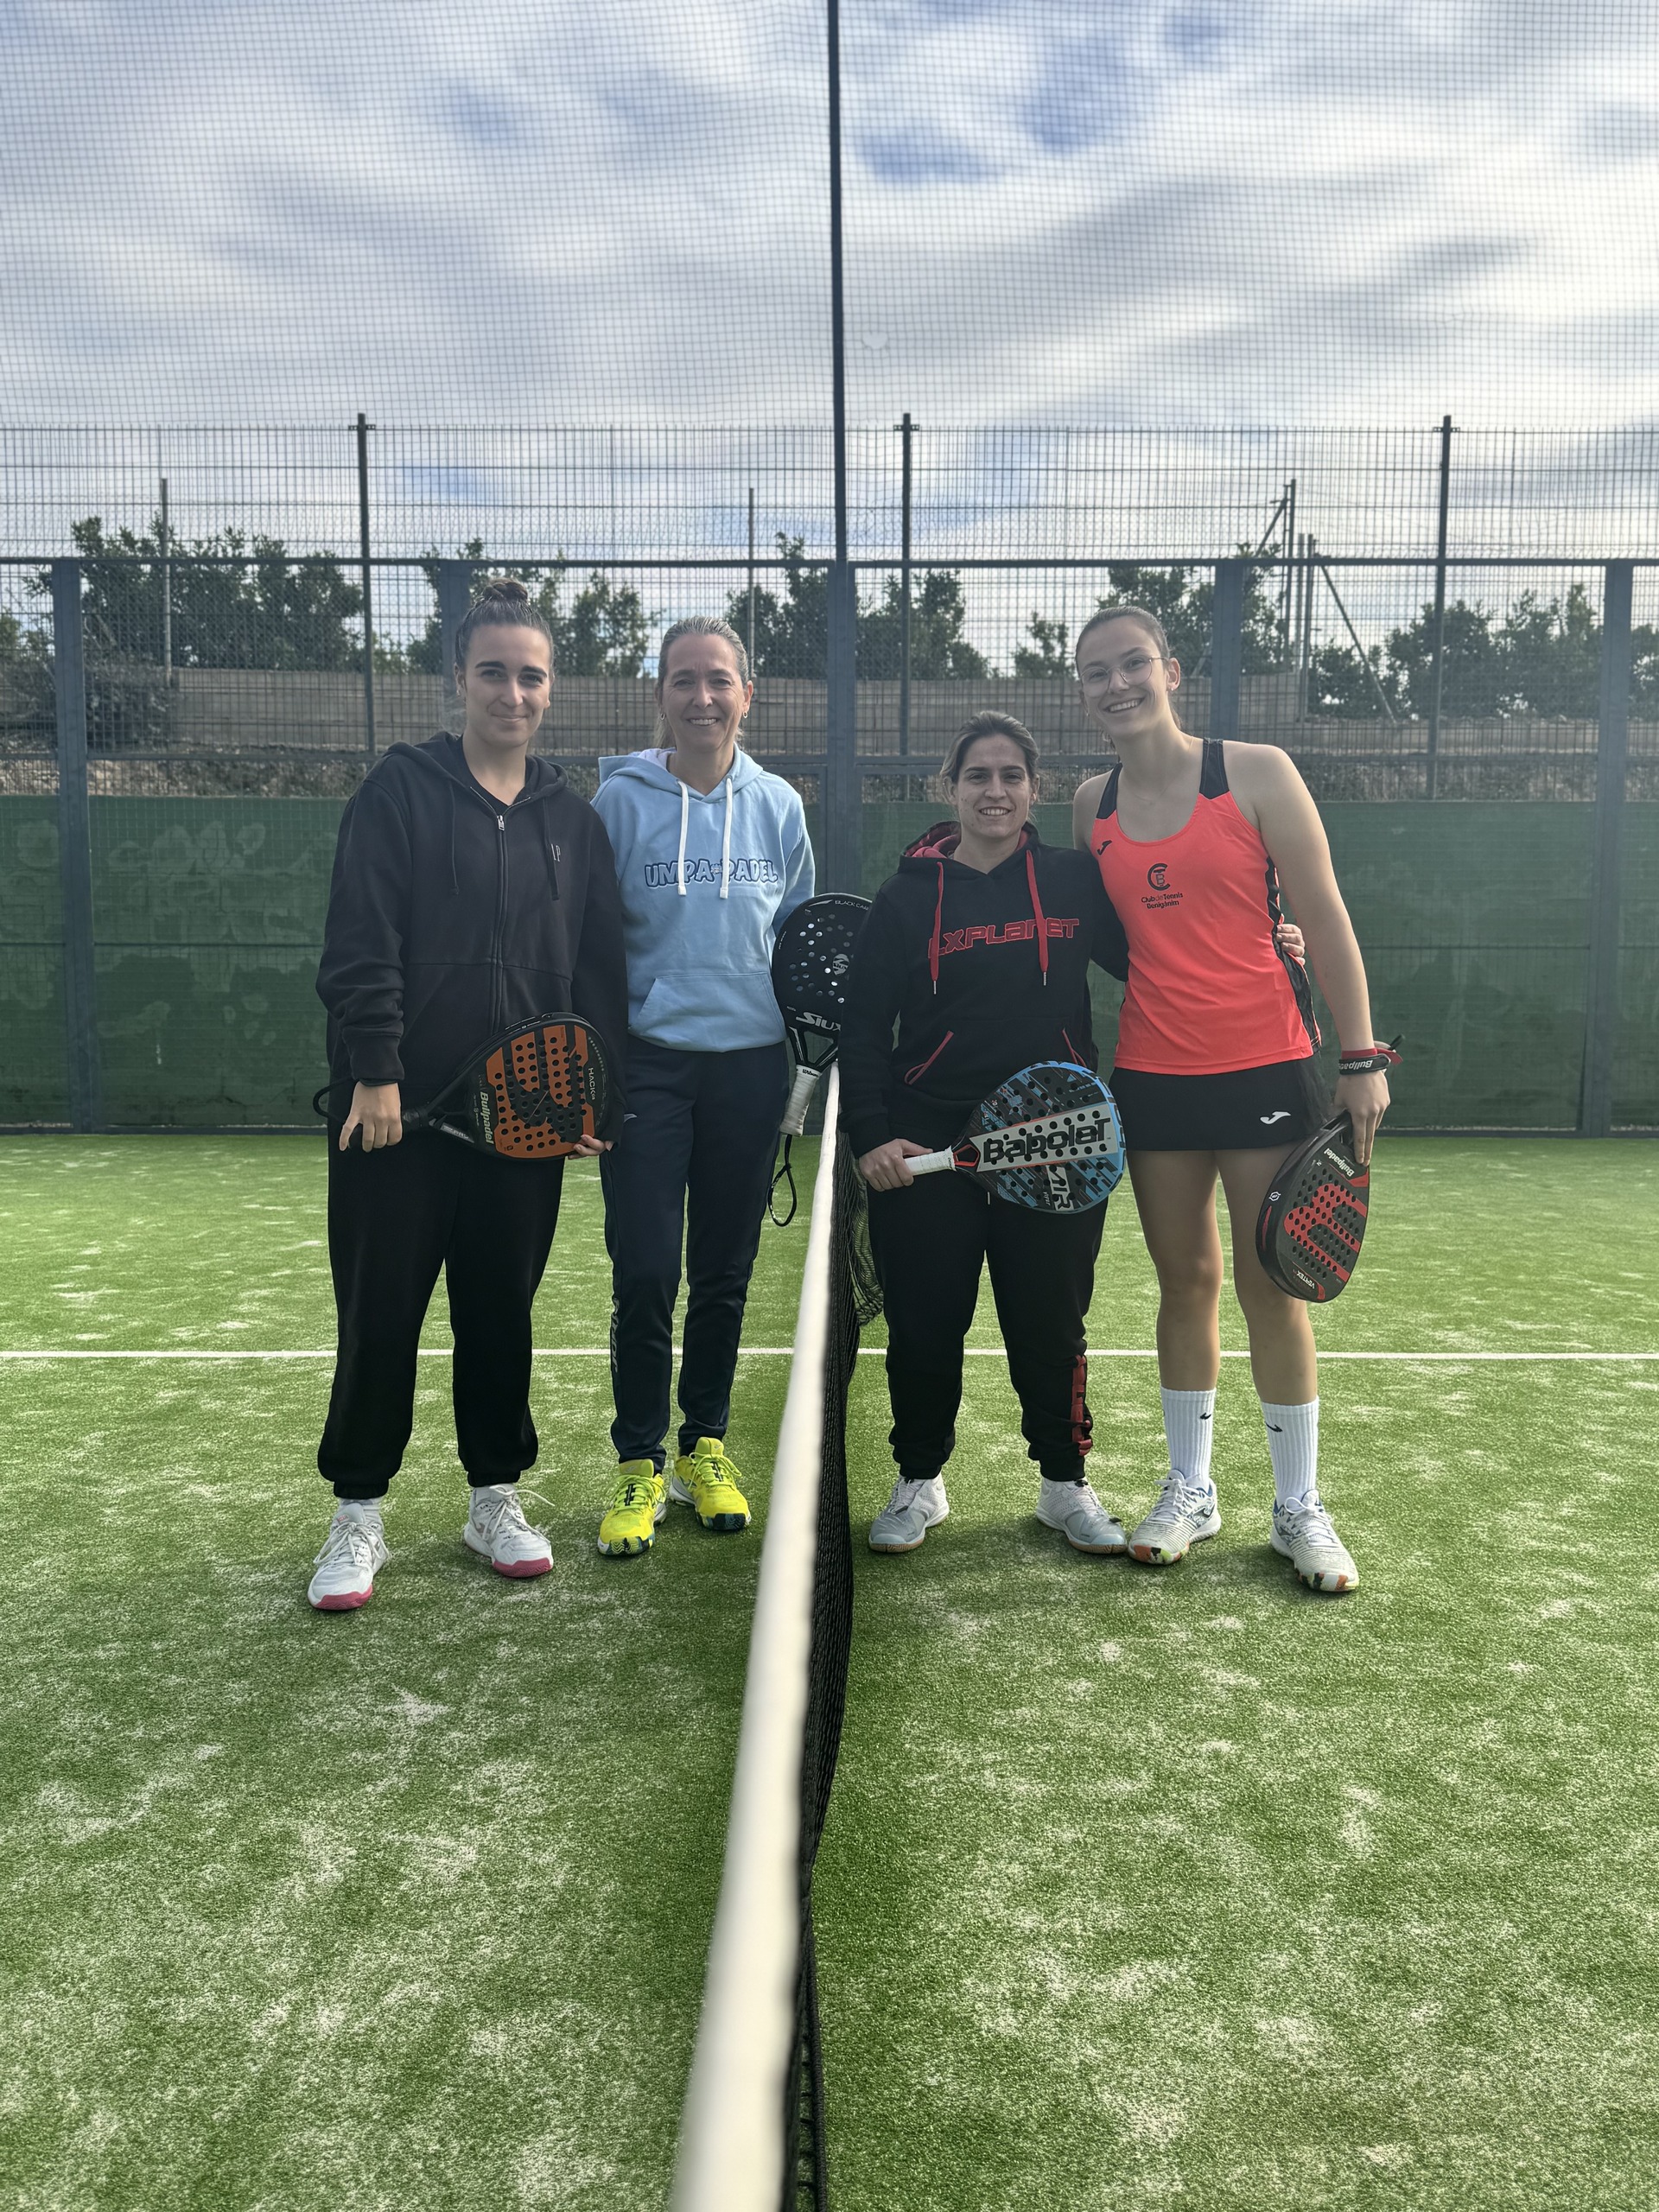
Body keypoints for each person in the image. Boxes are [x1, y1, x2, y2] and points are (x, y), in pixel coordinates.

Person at [307, 577, 627, 1611]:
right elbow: (360, 938)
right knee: (379, 1316)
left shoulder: (574, 824)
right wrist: (377, 1069)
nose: (512, 693)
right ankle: (359, 1510)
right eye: (494, 671)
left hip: (523, 1125)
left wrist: (594, 1100)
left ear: (551, 687)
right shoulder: (397, 791)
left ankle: (495, 1497)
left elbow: (597, 974)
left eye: (531, 675)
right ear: (458, 676)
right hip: (393, 1116)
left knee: (501, 1317)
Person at [1070, 605, 1392, 1594]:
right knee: (1186, 1282)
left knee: (1272, 1287)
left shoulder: (1257, 773)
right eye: (1096, 673)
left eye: (1133, 663)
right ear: (1082, 692)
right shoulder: (1088, 805)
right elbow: (1112, 940)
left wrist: (1361, 1056)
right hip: (1153, 1076)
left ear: (1171, 671)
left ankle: (1299, 1507)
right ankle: (1191, 1489)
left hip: (1265, 1067)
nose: (1118, 684)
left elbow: (1324, 915)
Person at [839, 712, 1135, 1558]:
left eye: (1011, 776)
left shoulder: (1074, 881)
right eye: (978, 776)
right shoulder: (905, 898)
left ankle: (1064, 1483)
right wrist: (873, 1136)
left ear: (1034, 789)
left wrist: (1266, 941)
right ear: (951, 788)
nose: (994, 791)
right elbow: (865, 1027)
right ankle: (919, 1479)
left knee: (1051, 1325)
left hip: (1056, 1142)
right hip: (929, 1148)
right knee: (924, 1326)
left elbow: (1155, 955)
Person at [588, 615, 814, 1556]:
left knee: (724, 1272)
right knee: (646, 1268)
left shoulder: (781, 805)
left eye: (719, 679)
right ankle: (639, 1458)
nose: (702, 697)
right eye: (683, 679)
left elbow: (799, 944)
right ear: (661, 696)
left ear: (746, 695)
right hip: (647, 1065)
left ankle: (703, 1446)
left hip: (751, 1069)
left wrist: (802, 1065)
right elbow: (592, 942)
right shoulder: (617, 802)